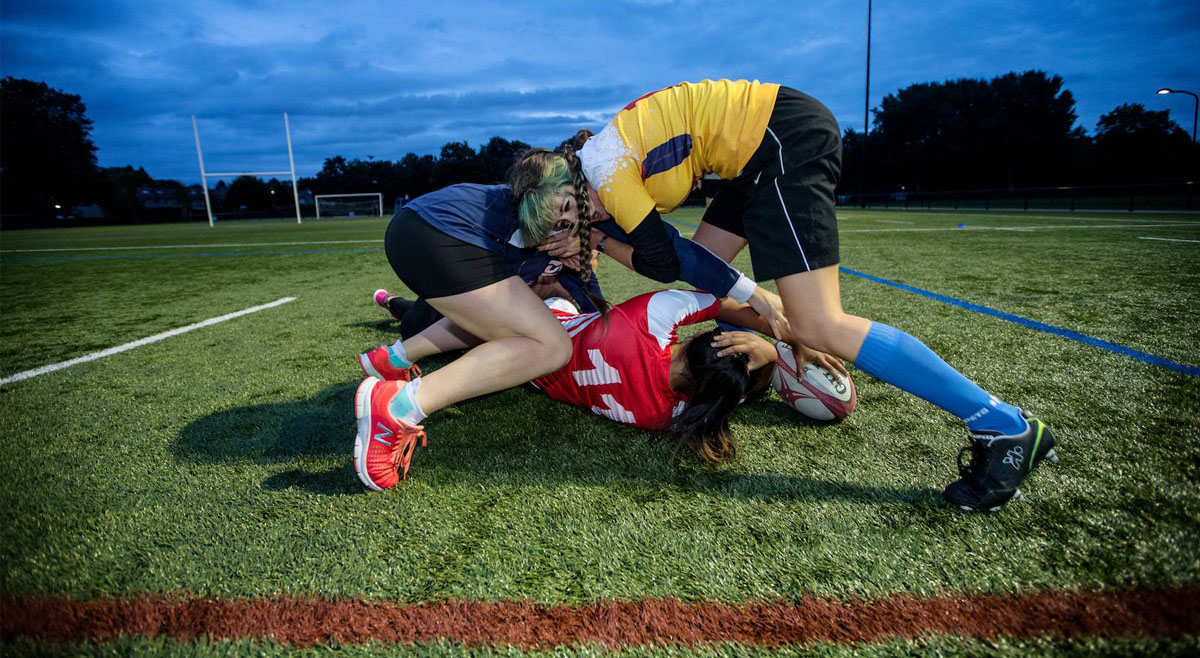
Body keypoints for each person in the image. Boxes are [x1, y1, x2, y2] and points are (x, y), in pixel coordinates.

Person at [569, 79, 1057, 511]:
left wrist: (598, 241)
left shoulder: (607, 174)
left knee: (818, 322)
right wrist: (597, 241)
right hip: (753, 155)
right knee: (709, 279)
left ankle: (1001, 425)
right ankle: (768, 347)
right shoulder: (604, 165)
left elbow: (661, 260)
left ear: (573, 189)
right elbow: (679, 261)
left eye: (574, 219)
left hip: (778, 141)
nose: (584, 225)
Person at [356, 145, 784, 490]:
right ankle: (398, 406)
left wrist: (585, 255)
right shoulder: (660, 412)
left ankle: (393, 362)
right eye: (572, 216)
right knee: (548, 345)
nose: (595, 216)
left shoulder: (592, 219)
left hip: (426, 232)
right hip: (439, 235)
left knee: (522, 332)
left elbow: (626, 284)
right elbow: (677, 262)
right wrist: (772, 320)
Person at [369, 287, 847, 466]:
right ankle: (397, 311)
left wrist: (776, 340)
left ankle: (393, 322)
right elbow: (729, 391)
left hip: (539, 330)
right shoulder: (672, 414)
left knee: (445, 311)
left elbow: (724, 302)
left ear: (702, 339)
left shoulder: (650, 321)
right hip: (540, 376)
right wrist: (769, 369)